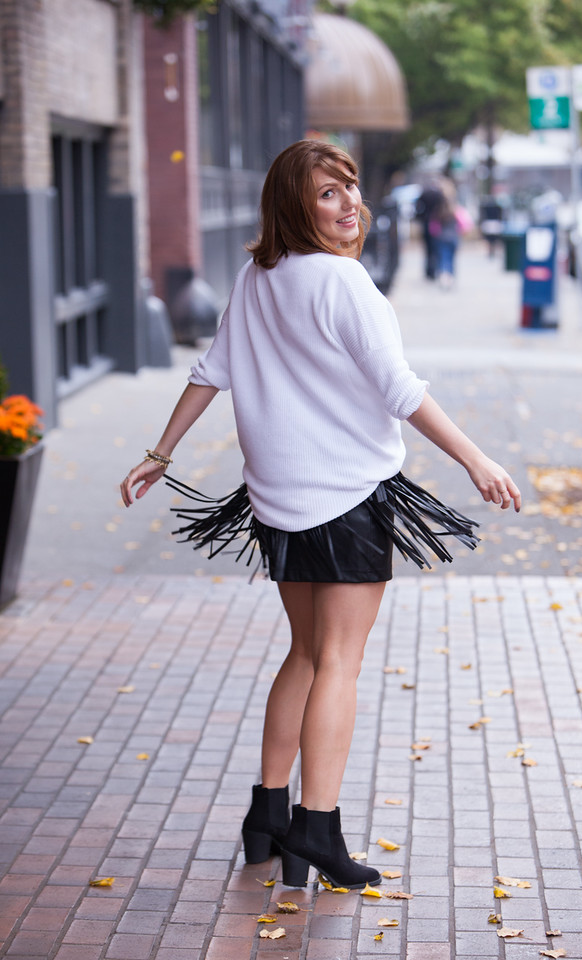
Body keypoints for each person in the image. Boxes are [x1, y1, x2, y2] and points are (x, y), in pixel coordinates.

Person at [120, 140, 520, 890]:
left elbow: (213, 371)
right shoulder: (345, 284)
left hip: (276, 498)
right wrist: (476, 458)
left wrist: (161, 452)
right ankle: (318, 829)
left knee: (305, 653)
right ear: (292, 206)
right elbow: (401, 391)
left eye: (350, 189)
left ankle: (267, 817)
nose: (349, 206)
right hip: (345, 496)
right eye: (328, 194)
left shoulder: (258, 276)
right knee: (337, 661)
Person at [415, 177, 443, 279]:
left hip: (426, 222)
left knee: (428, 249)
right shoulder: (439, 194)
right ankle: (434, 270)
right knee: (435, 248)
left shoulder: (424, 193)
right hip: (436, 223)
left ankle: (429, 271)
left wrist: (420, 217)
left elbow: (418, 207)